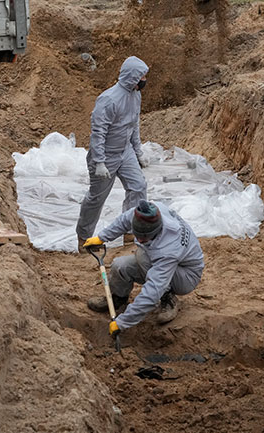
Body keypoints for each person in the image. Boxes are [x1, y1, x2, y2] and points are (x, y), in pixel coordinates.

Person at [82, 200, 204, 337]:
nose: (139, 241)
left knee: (143, 256)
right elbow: (123, 220)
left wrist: (122, 322)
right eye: (137, 235)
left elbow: (153, 290)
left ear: (156, 231)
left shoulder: (169, 248)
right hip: (163, 260)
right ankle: (118, 298)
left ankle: (167, 298)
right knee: (120, 266)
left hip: (186, 276)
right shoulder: (145, 213)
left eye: (144, 239)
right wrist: (101, 237)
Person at [76, 56, 152, 252]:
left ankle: (130, 230)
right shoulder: (109, 99)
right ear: (133, 77)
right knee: (97, 197)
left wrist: (138, 151)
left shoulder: (136, 95)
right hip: (106, 155)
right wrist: (99, 161)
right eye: (142, 76)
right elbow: (98, 132)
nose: (144, 80)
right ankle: (84, 237)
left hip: (124, 151)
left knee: (138, 186)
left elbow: (134, 124)